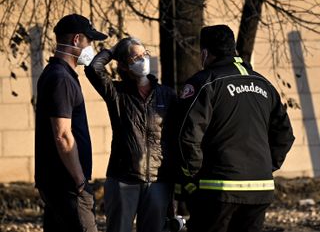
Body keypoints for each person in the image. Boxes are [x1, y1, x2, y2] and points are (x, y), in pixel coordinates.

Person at [175, 25, 295, 232]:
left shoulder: (205, 83)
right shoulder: (264, 85)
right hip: (260, 188)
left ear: (205, 53)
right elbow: (285, 135)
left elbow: (187, 136)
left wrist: (192, 174)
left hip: (218, 188)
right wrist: (267, 166)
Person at [84, 37, 177, 232]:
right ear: (125, 66)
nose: (142, 60)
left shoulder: (167, 95)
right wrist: (114, 50)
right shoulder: (117, 92)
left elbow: (175, 136)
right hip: (124, 177)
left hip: (158, 179)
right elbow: (94, 69)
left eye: (144, 54)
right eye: (135, 58)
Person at [34, 13, 108, 232]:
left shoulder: (58, 74)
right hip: (67, 186)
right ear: (77, 40)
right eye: (89, 40)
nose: (91, 47)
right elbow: (63, 135)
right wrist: (80, 182)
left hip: (58, 183)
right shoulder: (61, 78)